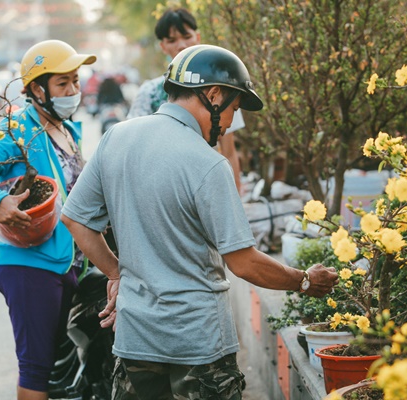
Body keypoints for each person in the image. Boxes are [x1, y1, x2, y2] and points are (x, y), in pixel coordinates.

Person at [61, 44, 339, 399]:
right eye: (233, 110)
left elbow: (75, 218)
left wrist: (118, 273)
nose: (226, 126)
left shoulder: (117, 137)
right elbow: (244, 263)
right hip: (200, 348)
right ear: (213, 95)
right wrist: (304, 281)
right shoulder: (207, 164)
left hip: (135, 339)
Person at [0, 40, 96, 400]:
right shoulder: (20, 128)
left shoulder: (67, 131)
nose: (72, 91)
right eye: (62, 83)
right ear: (37, 89)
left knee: (52, 362)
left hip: (64, 264)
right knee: (36, 369)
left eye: (74, 81)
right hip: (29, 267)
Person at [127, 7, 245, 193]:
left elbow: (229, 151)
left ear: (197, 38)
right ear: (163, 47)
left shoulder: (223, 92)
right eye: (172, 40)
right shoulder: (149, 93)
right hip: (166, 191)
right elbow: (135, 151)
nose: (181, 45)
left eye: (187, 36)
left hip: (209, 186)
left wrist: (236, 195)